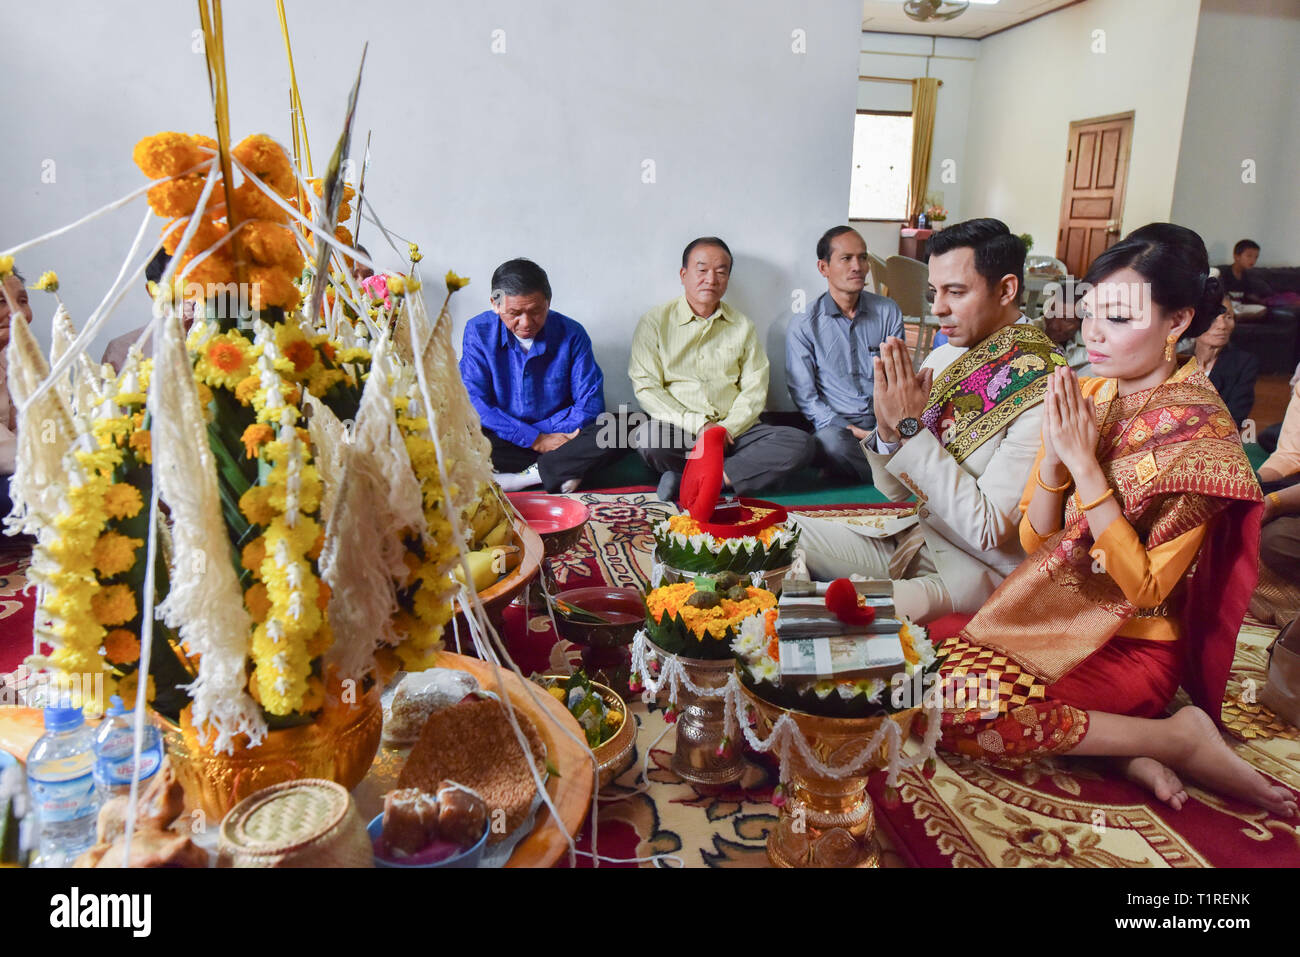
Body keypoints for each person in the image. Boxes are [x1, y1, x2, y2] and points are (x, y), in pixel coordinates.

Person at [928, 224, 1294, 818]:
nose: (1093, 333)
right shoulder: (1091, 392)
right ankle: (1120, 747)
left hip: (1134, 646)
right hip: (1054, 615)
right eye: (1091, 312)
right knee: (921, 653)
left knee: (954, 709)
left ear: (1176, 322)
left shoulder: (1201, 435)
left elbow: (1145, 587)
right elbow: (1036, 541)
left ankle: (1175, 736)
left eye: (1119, 319)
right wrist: (1053, 457)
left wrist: (1085, 469)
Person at [790, 219, 1065, 623]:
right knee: (776, 534)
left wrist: (910, 430)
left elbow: (988, 530)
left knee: (818, 613)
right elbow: (895, 493)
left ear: (1006, 289)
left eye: (956, 292)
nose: (937, 309)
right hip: (909, 537)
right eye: (935, 292)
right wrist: (887, 431)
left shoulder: (1045, 383)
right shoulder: (945, 357)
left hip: (970, 572)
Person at [629, 237, 814, 501]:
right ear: (684, 275)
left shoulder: (742, 326)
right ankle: (731, 477)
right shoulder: (655, 322)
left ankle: (697, 483)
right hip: (684, 432)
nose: (711, 279)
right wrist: (700, 425)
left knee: (800, 443)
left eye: (721, 271)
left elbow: (755, 388)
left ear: (728, 278)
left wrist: (725, 429)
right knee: (649, 437)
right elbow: (647, 388)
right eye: (702, 270)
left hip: (738, 433)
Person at [459, 258, 621, 494]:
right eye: (514, 313)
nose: (526, 323)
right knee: (459, 431)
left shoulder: (572, 334)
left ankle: (522, 479)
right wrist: (535, 438)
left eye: (536, 311)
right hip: (506, 440)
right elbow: (476, 401)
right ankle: (563, 471)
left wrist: (548, 436)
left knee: (624, 426)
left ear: (548, 302)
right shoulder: (478, 331)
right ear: (495, 305)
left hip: (563, 439)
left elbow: (590, 404)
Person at [786, 226, 902, 483]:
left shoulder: (888, 311)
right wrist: (851, 429)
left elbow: (898, 377)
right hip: (838, 426)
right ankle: (894, 470)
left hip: (885, 418)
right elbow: (805, 397)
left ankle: (866, 466)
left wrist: (887, 425)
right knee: (831, 444)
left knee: (928, 430)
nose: (857, 266)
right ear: (823, 268)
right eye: (846, 258)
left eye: (862, 258)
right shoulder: (805, 324)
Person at [101, 249, 194, 372]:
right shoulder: (121, 352)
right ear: (152, 293)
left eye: (196, 289)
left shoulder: (224, 341)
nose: (190, 302)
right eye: (176, 295)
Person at [1194, 296, 1258, 428]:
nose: (1223, 326)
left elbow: (1235, 419)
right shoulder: (1173, 361)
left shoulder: (1243, 364)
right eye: (1213, 318)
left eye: (1228, 317)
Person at [1, 267, 34, 509]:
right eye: (1, 301)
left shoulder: (14, 360)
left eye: (22, 301)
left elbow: (42, 422)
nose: (17, 313)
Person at [1219, 239, 1272, 305]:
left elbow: (1248, 294)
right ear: (1236, 256)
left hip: (1241, 307)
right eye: (1249, 256)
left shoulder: (1247, 275)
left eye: (1256, 257)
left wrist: (1263, 302)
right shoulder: (1223, 273)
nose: (1253, 260)